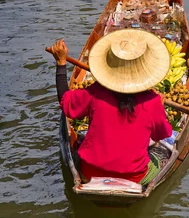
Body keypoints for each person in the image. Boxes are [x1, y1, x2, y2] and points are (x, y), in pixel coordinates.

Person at [50, 28, 173, 184]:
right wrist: (158, 107)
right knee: (162, 153)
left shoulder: (95, 92)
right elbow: (160, 135)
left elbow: (65, 102)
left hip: (90, 171)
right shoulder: (152, 102)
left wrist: (61, 64)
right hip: (134, 176)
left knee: (78, 146)